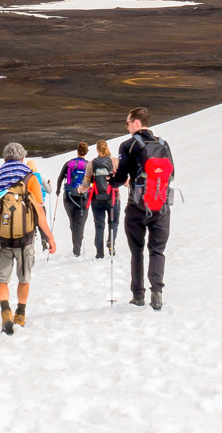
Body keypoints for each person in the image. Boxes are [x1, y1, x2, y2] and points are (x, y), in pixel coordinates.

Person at [0, 142, 57, 334]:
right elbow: (39, 211)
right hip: (25, 237)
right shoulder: (30, 177)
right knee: (24, 277)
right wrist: (49, 236)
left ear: (4, 158)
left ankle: (5, 310)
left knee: (2, 279)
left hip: (1, 238)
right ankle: (21, 314)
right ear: (23, 158)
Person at [109, 107, 175, 310]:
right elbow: (171, 174)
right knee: (157, 250)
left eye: (127, 123)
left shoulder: (128, 145)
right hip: (161, 205)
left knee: (137, 251)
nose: (127, 126)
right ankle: (157, 290)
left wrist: (112, 180)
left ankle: (138, 295)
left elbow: (119, 179)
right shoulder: (163, 144)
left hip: (137, 207)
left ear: (136, 123)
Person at [80, 140, 119, 259]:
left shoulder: (91, 163)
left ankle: (99, 253)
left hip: (97, 199)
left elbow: (86, 184)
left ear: (97, 150)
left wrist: (80, 190)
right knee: (113, 222)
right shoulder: (115, 162)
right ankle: (111, 242)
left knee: (99, 226)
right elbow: (122, 180)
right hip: (113, 197)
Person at [56, 142, 90, 257]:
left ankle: (75, 246)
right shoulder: (89, 165)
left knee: (72, 223)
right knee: (80, 224)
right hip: (83, 198)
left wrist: (58, 190)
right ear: (86, 152)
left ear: (77, 151)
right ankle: (77, 249)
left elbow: (60, 177)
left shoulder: (69, 163)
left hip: (69, 197)